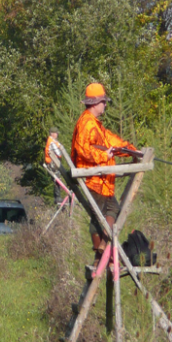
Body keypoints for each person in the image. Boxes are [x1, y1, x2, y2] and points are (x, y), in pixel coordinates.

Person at [71, 82, 138, 266]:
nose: (105, 105)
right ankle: (101, 254)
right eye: (103, 102)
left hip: (103, 182)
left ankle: (103, 248)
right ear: (94, 103)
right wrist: (103, 155)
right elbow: (82, 149)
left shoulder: (95, 125)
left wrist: (132, 151)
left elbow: (112, 141)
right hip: (94, 180)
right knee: (98, 216)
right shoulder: (86, 124)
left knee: (112, 210)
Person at [45, 127, 63, 204]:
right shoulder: (51, 142)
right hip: (52, 163)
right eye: (56, 133)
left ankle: (58, 197)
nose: (57, 134)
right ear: (52, 134)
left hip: (53, 163)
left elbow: (59, 145)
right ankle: (58, 198)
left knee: (58, 180)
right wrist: (61, 152)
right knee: (57, 180)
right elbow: (59, 153)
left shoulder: (53, 141)